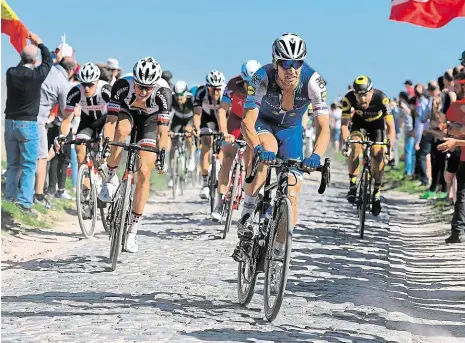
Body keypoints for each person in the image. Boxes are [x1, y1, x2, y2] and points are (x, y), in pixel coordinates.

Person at [232, 33, 330, 262]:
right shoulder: (261, 77)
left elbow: (324, 128)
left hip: (292, 131)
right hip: (264, 125)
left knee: (292, 191)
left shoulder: (314, 82)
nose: (292, 70)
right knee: (268, 153)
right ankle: (247, 213)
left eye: (297, 63)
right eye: (286, 63)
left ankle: (278, 250)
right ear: (276, 63)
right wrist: (256, 148)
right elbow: (247, 122)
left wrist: (315, 155)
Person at [98, 57, 171, 253]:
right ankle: (111, 177)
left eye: (148, 88)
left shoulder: (163, 94)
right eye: (140, 86)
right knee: (121, 131)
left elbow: (163, 132)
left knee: (144, 173)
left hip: (150, 121)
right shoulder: (122, 86)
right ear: (134, 82)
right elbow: (111, 121)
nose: (143, 91)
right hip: (127, 113)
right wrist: (105, 145)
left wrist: (162, 155)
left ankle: (132, 231)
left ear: (154, 86)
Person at [4, 33, 53, 215]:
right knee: (28, 165)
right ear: (35, 62)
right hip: (28, 124)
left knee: (13, 164)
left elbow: (23, 64)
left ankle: (9, 197)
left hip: (10, 123)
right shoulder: (36, 76)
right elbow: (49, 60)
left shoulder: (10, 73)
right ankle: (25, 203)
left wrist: (28, 50)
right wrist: (39, 43)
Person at [211, 60, 261, 221]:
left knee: (250, 157)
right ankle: (219, 203)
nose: (251, 87)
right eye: (248, 83)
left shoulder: (264, 85)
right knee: (227, 158)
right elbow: (222, 110)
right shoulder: (233, 84)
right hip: (235, 120)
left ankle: (248, 193)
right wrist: (224, 132)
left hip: (253, 122)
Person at [55, 62, 112, 202]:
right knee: (80, 151)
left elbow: (114, 118)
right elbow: (67, 119)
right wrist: (62, 135)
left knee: (103, 153)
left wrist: (106, 139)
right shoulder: (74, 92)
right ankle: (86, 191)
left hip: (106, 121)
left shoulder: (105, 89)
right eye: (83, 84)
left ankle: (108, 178)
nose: (86, 88)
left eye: (90, 85)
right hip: (87, 123)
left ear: (97, 82)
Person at [341, 75, 396, 216]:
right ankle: (353, 185)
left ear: (371, 92)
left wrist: (390, 148)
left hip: (377, 125)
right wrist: (346, 142)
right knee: (355, 146)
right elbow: (344, 125)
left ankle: (376, 192)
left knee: (379, 154)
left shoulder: (381, 98)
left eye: (365, 95)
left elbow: (390, 127)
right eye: (359, 96)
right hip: (359, 123)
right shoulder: (348, 99)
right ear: (354, 94)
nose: (362, 99)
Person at [34, 56, 76, 208]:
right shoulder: (64, 84)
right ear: (71, 70)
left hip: (24, 114)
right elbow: (67, 111)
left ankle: (18, 192)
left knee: (26, 157)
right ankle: (38, 195)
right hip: (41, 120)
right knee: (43, 157)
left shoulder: (44, 68)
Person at [438, 72, 465, 243]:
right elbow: (448, 125)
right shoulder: (456, 105)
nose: (454, 89)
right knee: (461, 193)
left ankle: (457, 232)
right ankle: (457, 232)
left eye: (457, 86)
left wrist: (456, 139)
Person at [193, 70, 226, 199]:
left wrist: (225, 132)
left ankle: (223, 174)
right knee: (206, 143)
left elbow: (228, 114)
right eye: (212, 89)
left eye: (217, 89)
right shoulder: (201, 92)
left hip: (223, 118)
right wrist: (196, 128)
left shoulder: (225, 93)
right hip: (207, 120)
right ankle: (205, 182)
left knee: (224, 146)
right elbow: (197, 114)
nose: (215, 92)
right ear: (207, 87)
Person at [168, 80, 196, 188]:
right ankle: (171, 175)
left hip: (190, 119)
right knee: (172, 146)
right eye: (177, 95)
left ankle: (191, 158)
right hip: (177, 119)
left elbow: (197, 114)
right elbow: (168, 114)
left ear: (186, 93)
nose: (179, 98)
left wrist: (193, 127)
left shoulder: (191, 99)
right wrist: (168, 129)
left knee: (188, 134)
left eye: (181, 95)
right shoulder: (172, 99)